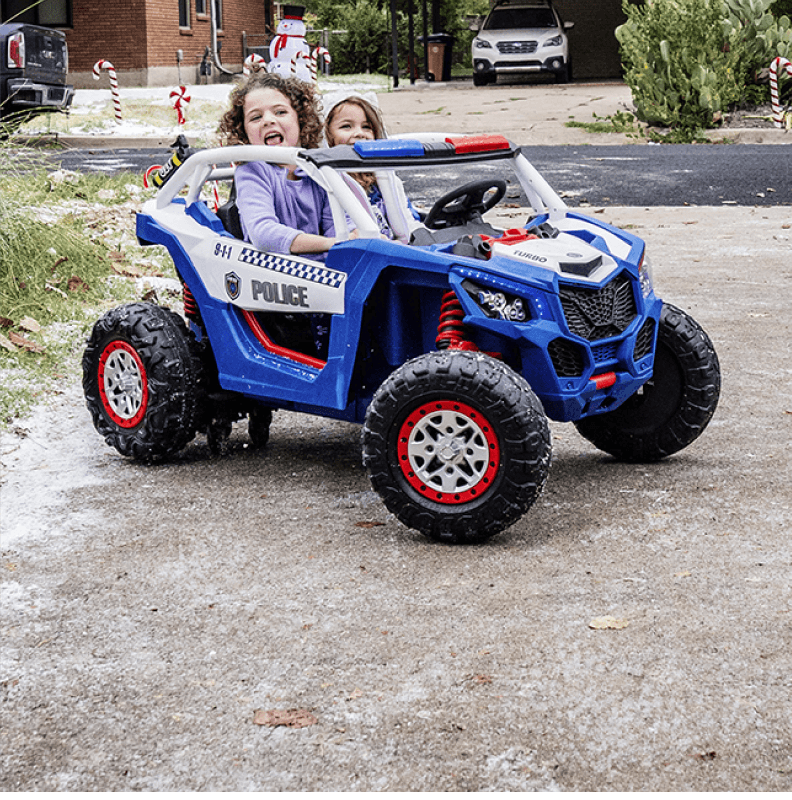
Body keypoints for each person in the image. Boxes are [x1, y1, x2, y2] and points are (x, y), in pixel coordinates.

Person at [217, 70, 346, 260]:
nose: (268, 120)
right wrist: (331, 243)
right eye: (255, 117)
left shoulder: (317, 170)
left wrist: (350, 240)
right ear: (243, 132)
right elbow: (264, 234)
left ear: (301, 120)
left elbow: (339, 225)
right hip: (272, 276)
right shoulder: (252, 171)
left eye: (280, 112)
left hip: (321, 272)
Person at [323, 91, 420, 242]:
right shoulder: (327, 184)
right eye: (347, 126)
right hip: (363, 254)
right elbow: (339, 228)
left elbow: (410, 219)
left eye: (366, 127)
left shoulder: (386, 180)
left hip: (400, 250)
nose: (359, 134)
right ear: (327, 135)